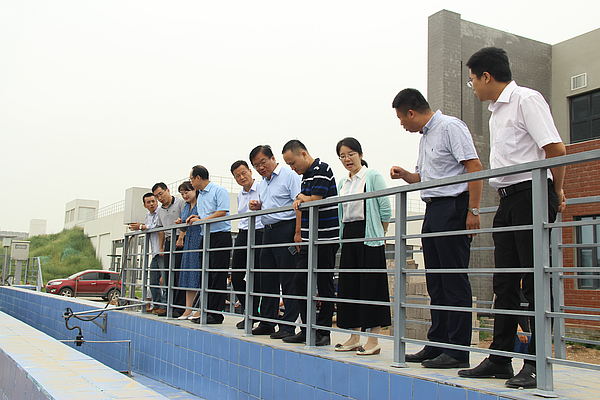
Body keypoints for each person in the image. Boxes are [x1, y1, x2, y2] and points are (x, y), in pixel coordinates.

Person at [458, 47, 566, 389]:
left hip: (532, 194)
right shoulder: (496, 112)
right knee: (504, 282)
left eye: (473, 79)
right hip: (507, 200)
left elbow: (555, 149)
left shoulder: (526, 100)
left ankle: (536, 363)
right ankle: (500, 358)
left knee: (534, 281)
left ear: (486, 76)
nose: (473, 86)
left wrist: (556, 192)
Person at [390, 88, 483, 368]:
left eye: (401, 119)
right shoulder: (426, 137)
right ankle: (437, 343)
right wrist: (407, 175)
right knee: (436, 282)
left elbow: (474, 166)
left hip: (453, 207)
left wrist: (473, 210)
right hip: (433, 210)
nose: (402, 124)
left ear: (411, 113)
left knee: (453, 280)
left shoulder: (450, 127)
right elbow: (426, 178)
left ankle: (457, 351)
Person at [335, 137, 391, 356]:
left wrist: (379, 233)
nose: (347, 159)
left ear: (360, 154)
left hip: (370, 236)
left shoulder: (372, 176)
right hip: (349, 235)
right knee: (349, 286)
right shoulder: (343, 182)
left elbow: (385, 209)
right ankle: (354, 337)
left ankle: (373, 340)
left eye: (351, 154)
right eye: (342, 156)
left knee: (371, 287)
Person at [281, 140, 339, 346]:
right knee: (300, 281)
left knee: (324, 284)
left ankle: (323, 332)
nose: (292, 168)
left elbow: (316, 198)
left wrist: (301, 197)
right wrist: (301, 197)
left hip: (325, 237)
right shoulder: (305, 175)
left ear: (303, 154)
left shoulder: (322, 169)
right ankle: (307, 329)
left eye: (293, 163)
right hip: (308, 238)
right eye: (289, 165)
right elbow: (304, 199)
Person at [248, 145, 301, 339]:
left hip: (286, 229)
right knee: (267, 278)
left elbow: (300, 204)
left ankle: (288, 325)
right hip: (267, 232)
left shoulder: (289, 176)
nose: (260, 168)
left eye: (263, 162)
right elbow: (271, 204)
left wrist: (297, 233)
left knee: (288, 279)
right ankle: (267, 322)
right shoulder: (263, 182)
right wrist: (258, 206)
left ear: (272, 158)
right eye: (256, 165)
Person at [186, 165, 232, 325]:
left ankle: (216, 314)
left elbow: (222, 212)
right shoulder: (200, 195)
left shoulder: (219, 190)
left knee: (217, 276)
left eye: (191, 179)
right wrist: (196, 218)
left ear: (198, 178)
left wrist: (201, 221)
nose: (191, 182)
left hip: (220, 236)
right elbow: (206, 215)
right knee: (206, 275)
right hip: (205, 236)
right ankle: (205, 312)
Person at [230, 160, 264, 329]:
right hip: (243, 232)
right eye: (237, 176)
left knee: (256, 276)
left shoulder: (262, 187)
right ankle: (249, 309)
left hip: (259, 231)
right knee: (236, 275)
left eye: (244, 173)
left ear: (250, 171)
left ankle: (253, 314)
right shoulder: (239, 195)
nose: (241, 177)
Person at [153, 182, 186, 317]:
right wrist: (161, 247)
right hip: (168, 241)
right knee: (168, 275)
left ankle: (179, 308)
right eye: (157, 196)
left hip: (179, 240)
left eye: (161, 194)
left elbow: (184, 222)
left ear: (167, 190)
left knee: (178, 274)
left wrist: (181, 237)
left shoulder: (180, 203)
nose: (160, 198)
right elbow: (161, 230)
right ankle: (169, 306)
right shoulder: (160, 210)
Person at [128, 193, 162, 313]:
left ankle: (164, 306)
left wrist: (142, 227)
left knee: (165, 280)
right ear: (145, 205)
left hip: (163, 250)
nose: (151, 204)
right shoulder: (148, 215)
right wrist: (141, 227)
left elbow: (156, 226)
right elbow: (148, 228)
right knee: (153, 280)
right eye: (148, 202)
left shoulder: (161, 211)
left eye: (153, 201)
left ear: (157, 202)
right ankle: (156, 304)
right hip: (154, 251)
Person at [173, 181, 202, 321]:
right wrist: (180, 224)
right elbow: (184, 227)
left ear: (194, 190)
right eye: (182, 193)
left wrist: (197, 219)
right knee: (188, 274)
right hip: (189, 242)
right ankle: (188, 309)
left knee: (199, 273)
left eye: (187, 192)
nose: (185, 195)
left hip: (199, 239)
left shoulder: (201, 203)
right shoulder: (185, 206)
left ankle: (200, 308)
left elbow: (206, 218)